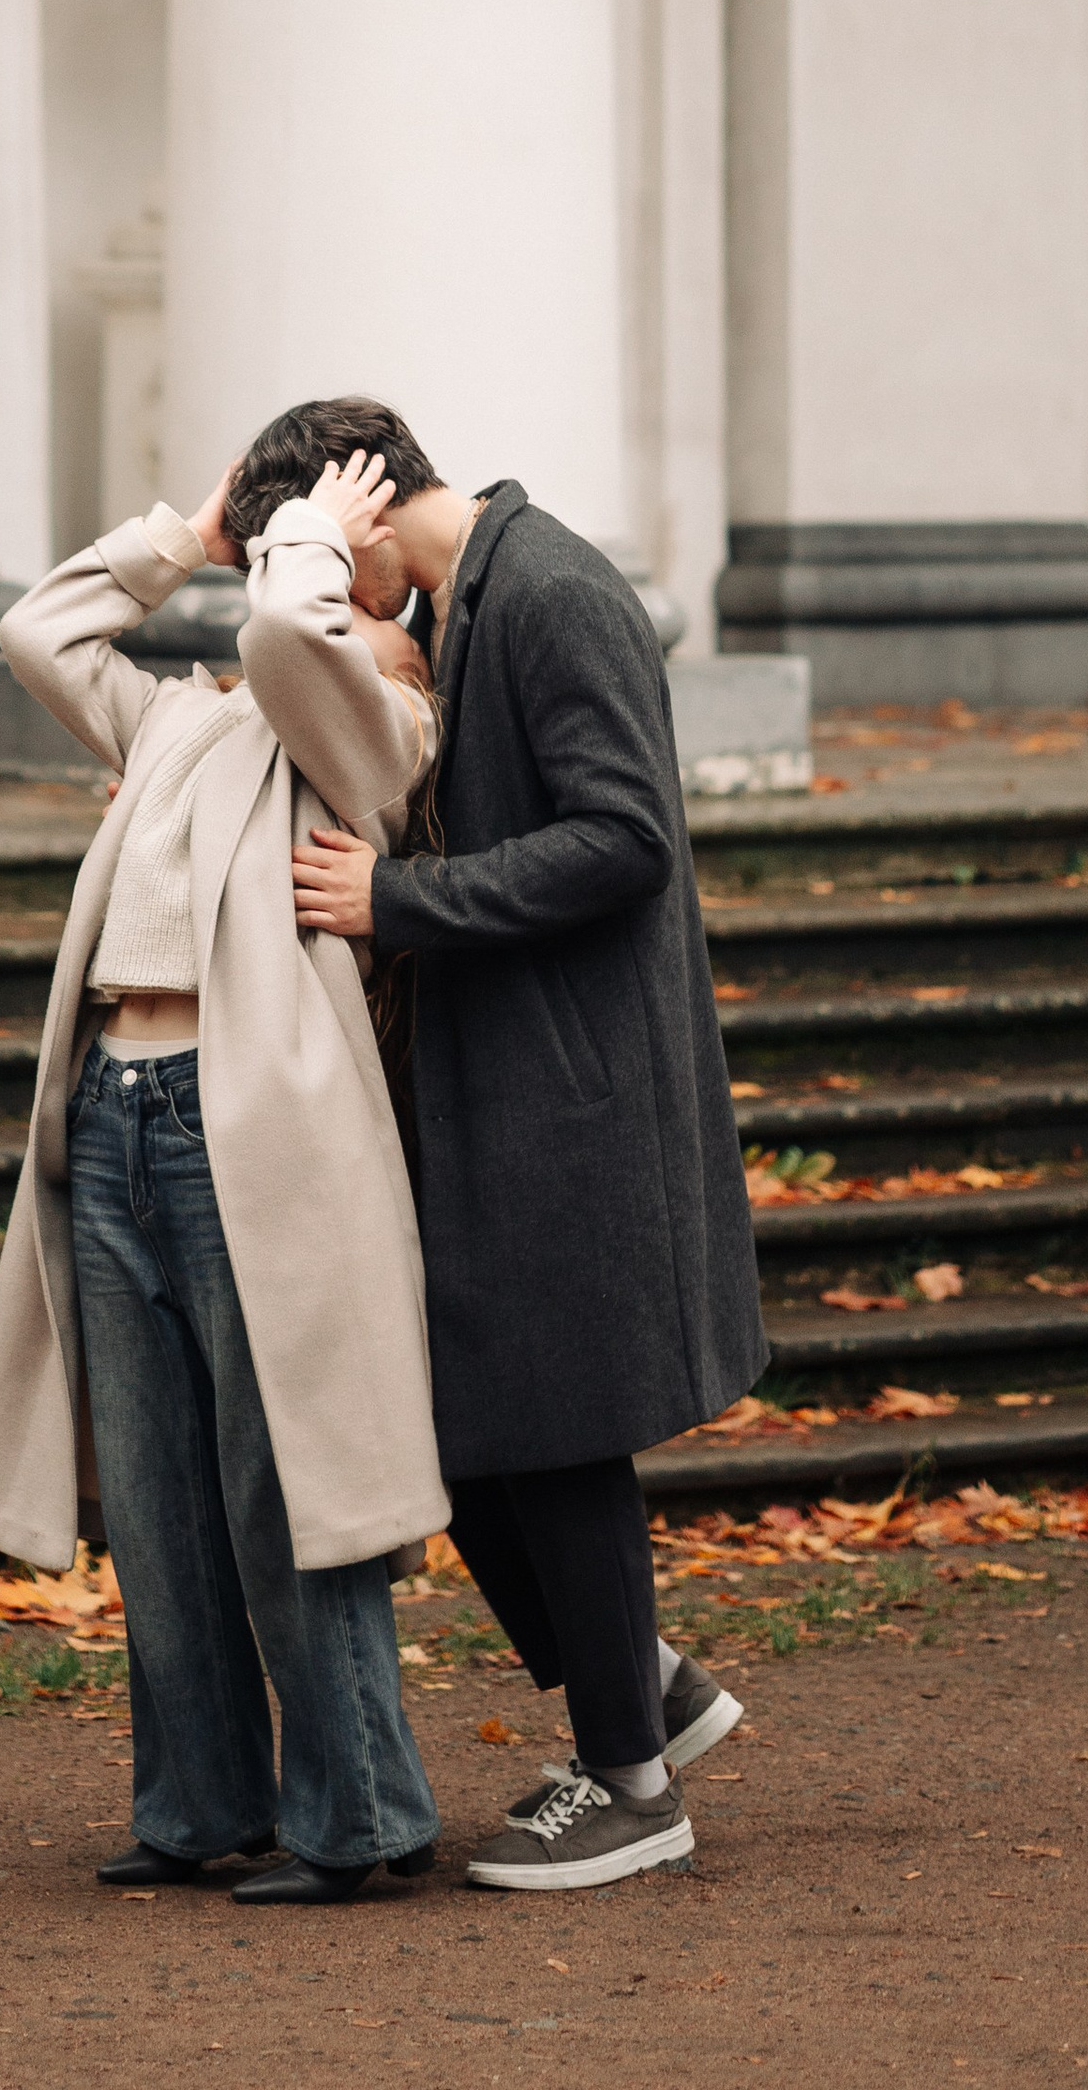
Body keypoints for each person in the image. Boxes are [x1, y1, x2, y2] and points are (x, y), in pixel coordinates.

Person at [262, 395, 768, 1894]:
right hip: (513, 1090)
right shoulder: (477, 597)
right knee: (473, 1419)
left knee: (553, 1432)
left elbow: (627, 837)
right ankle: (648, 1691)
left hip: (575, 1093)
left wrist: (397, 902)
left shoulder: (545, 588)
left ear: (358, 516)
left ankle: (633, 1783)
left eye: (306, 552)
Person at [0, 452, 447, 1905]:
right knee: (160, 1502)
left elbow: (298, 641)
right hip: (112, 1118)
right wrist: (203, 529)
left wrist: (315, 542)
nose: (311, 588)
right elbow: (41, 631)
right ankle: (199, 1805)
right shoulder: (178, 727)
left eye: (361, 595)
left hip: (253, 1133)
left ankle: (363, 1819)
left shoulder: (377, 728)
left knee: (284, 1485)